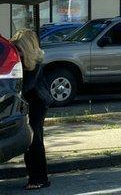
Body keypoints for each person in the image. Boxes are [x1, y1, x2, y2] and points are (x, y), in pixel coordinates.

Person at [11, 29, 53, 190]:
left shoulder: (33, 64)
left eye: (20, 49)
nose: (18, 53)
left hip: (37, 103)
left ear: (27, 48)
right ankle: (37, 178)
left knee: (35, 141)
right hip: (33, 103)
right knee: (33, 141)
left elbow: (25, 87)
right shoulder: (28, 61)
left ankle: (40, 179)